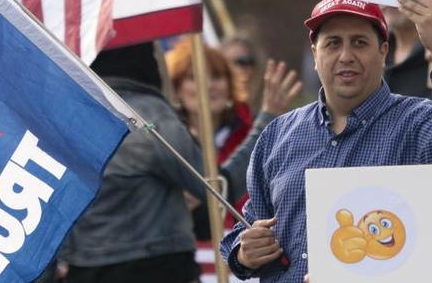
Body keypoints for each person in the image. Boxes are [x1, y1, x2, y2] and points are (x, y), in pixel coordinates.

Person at [220, 0, 432, 282]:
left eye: (359, 43)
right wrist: (244, 253)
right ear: (315, 53)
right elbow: (247, 226)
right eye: (333, 43)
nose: (345, 56)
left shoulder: (419, 122)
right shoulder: (277, 135)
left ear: (383, 51)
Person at [54, 42, 274, 283]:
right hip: (159, 268)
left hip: (84, 268)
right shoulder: (151, 115)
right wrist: (268, 119)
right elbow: (217, 189)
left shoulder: (66, 117)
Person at [166, 36, 302, 239]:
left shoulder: (255, 133)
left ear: (230, 86)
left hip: (248, 256)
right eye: (194, 77)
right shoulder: (164, 142)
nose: (208, 86)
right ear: (177, 88)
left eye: (217, 76)